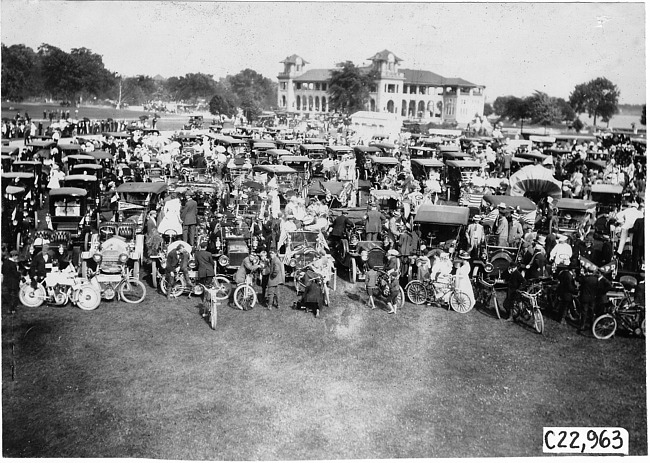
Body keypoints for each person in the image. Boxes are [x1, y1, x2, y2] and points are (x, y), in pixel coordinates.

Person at [577, 269, 612, 335]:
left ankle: (583, 325)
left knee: (585, 312)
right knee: (592, 311)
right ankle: (592, 325)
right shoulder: (596, 280)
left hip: (587, 297)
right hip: (593, 298)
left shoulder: (586, 278)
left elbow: (579, 280)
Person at [2, 249, 22, 313]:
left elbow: (2, 271)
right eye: (16, 256)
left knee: (8, 295)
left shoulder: (5, 262)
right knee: (13, 295)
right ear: (14, 256)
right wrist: (19, 274)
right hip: (13, 281)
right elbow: (15, 273)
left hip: (6, 281)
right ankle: (12, 309)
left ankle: (9, 308)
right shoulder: (13, 264)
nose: (17, 257)